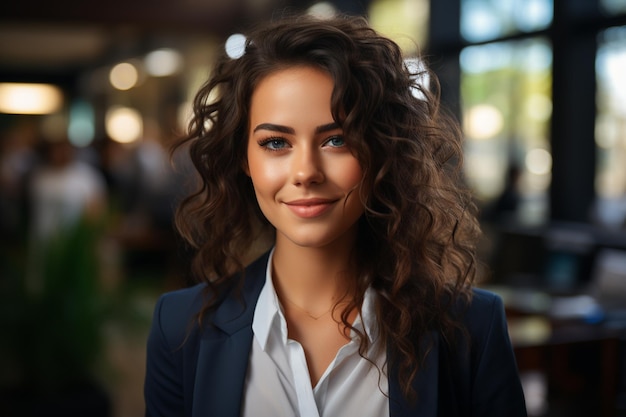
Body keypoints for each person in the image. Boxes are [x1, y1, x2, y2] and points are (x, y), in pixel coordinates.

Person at [144, 14, 527, 417]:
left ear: (380, 151)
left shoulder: (471, 329)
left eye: (337, 139)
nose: (306, 171)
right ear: (245, 159)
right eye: (276, 142)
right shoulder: (180, 327)